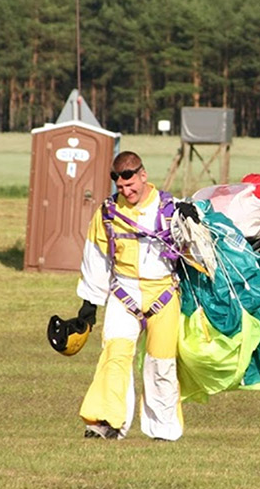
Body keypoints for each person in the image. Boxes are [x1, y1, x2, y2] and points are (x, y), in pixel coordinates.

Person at [73, 151, 199, 441]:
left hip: (164, 293)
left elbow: (195, 253)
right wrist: (89, 305)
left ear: (143, 175)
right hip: (123, 292)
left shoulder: (173, 209)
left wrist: (192, 224)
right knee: (114, 356)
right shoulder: (107, 213)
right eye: (121, 188)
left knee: (161, 363)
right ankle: (107, 423)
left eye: (131, 186)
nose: (126, 192)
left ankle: (163, 429)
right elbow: (96, 257)